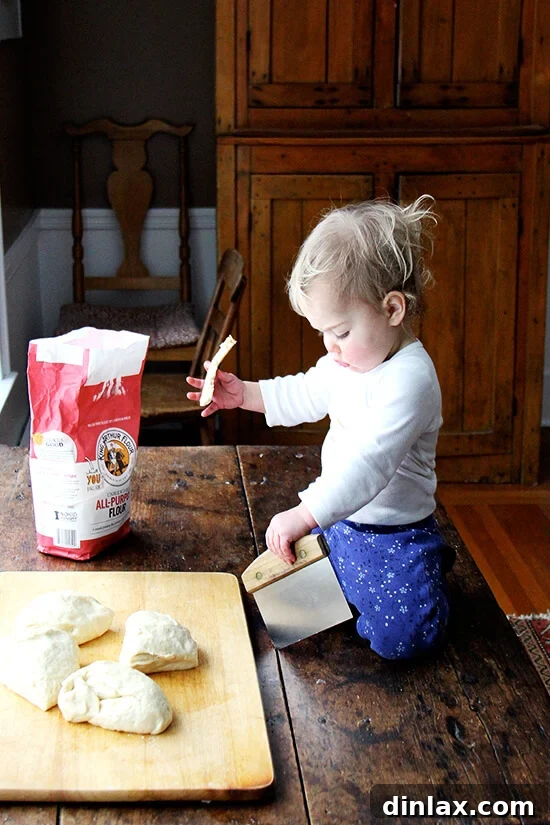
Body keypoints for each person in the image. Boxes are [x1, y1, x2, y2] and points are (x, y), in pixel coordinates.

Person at [187, 196, 454, 660]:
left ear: (392, 309)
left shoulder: (411, 380)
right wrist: (244, 394)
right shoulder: (348, 359)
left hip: (395, 535)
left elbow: (368, 466)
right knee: (291, 616)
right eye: (322, 334)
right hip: (340, 523)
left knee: (401, 640)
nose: (331, 347)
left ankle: (424, 577)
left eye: (341, 332)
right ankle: (364, 588)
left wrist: (305, 514)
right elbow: (305, 392)